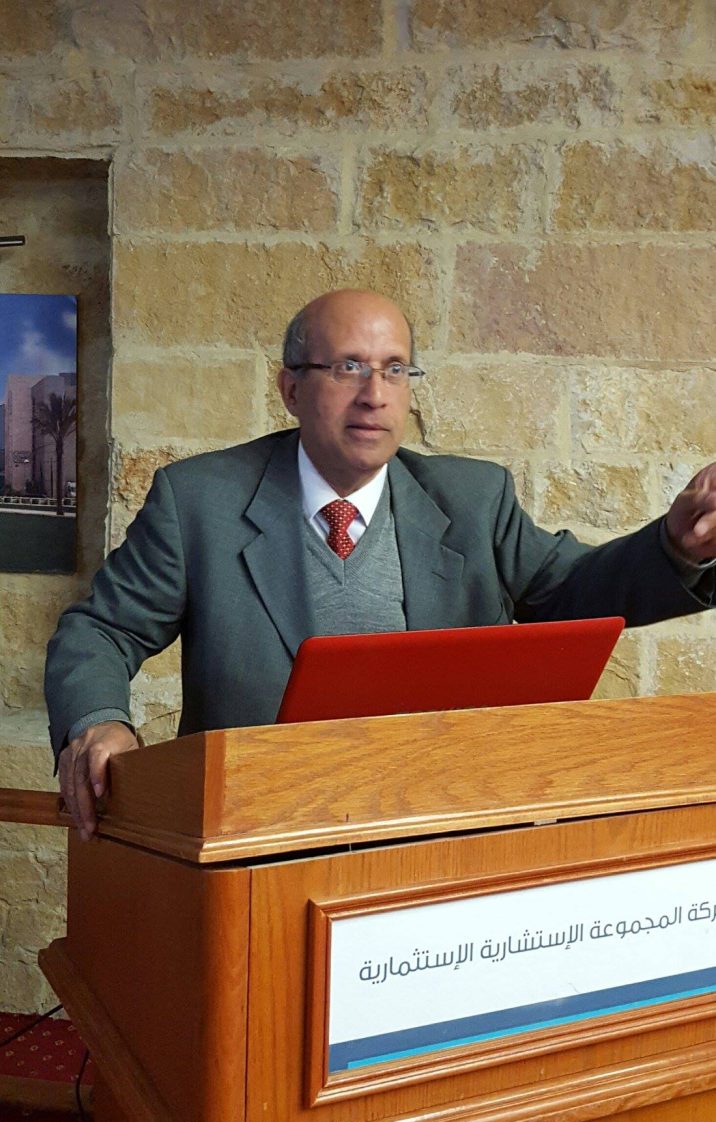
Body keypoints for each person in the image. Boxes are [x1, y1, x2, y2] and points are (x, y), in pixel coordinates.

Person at [46, 289, 716, 839]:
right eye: (348, 367)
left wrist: (676, 546)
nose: (375, 393)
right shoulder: (200, 502)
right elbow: (100, 629)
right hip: (255, 837)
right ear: (290, 388)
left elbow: (573, 590)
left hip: (435, 829)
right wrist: (99, 720)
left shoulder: (474, 500)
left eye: (395, 369)